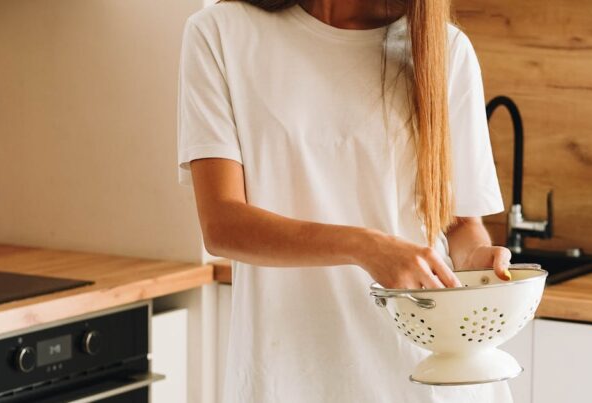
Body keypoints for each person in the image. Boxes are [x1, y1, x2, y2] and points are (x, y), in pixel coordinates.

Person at [177, 0, 512, 401]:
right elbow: (222, 224)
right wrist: (365, 246)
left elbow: (459, 224)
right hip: (288, 376)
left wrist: (475, 261)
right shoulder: (220, 33)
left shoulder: (444, 49)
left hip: (424, 378)